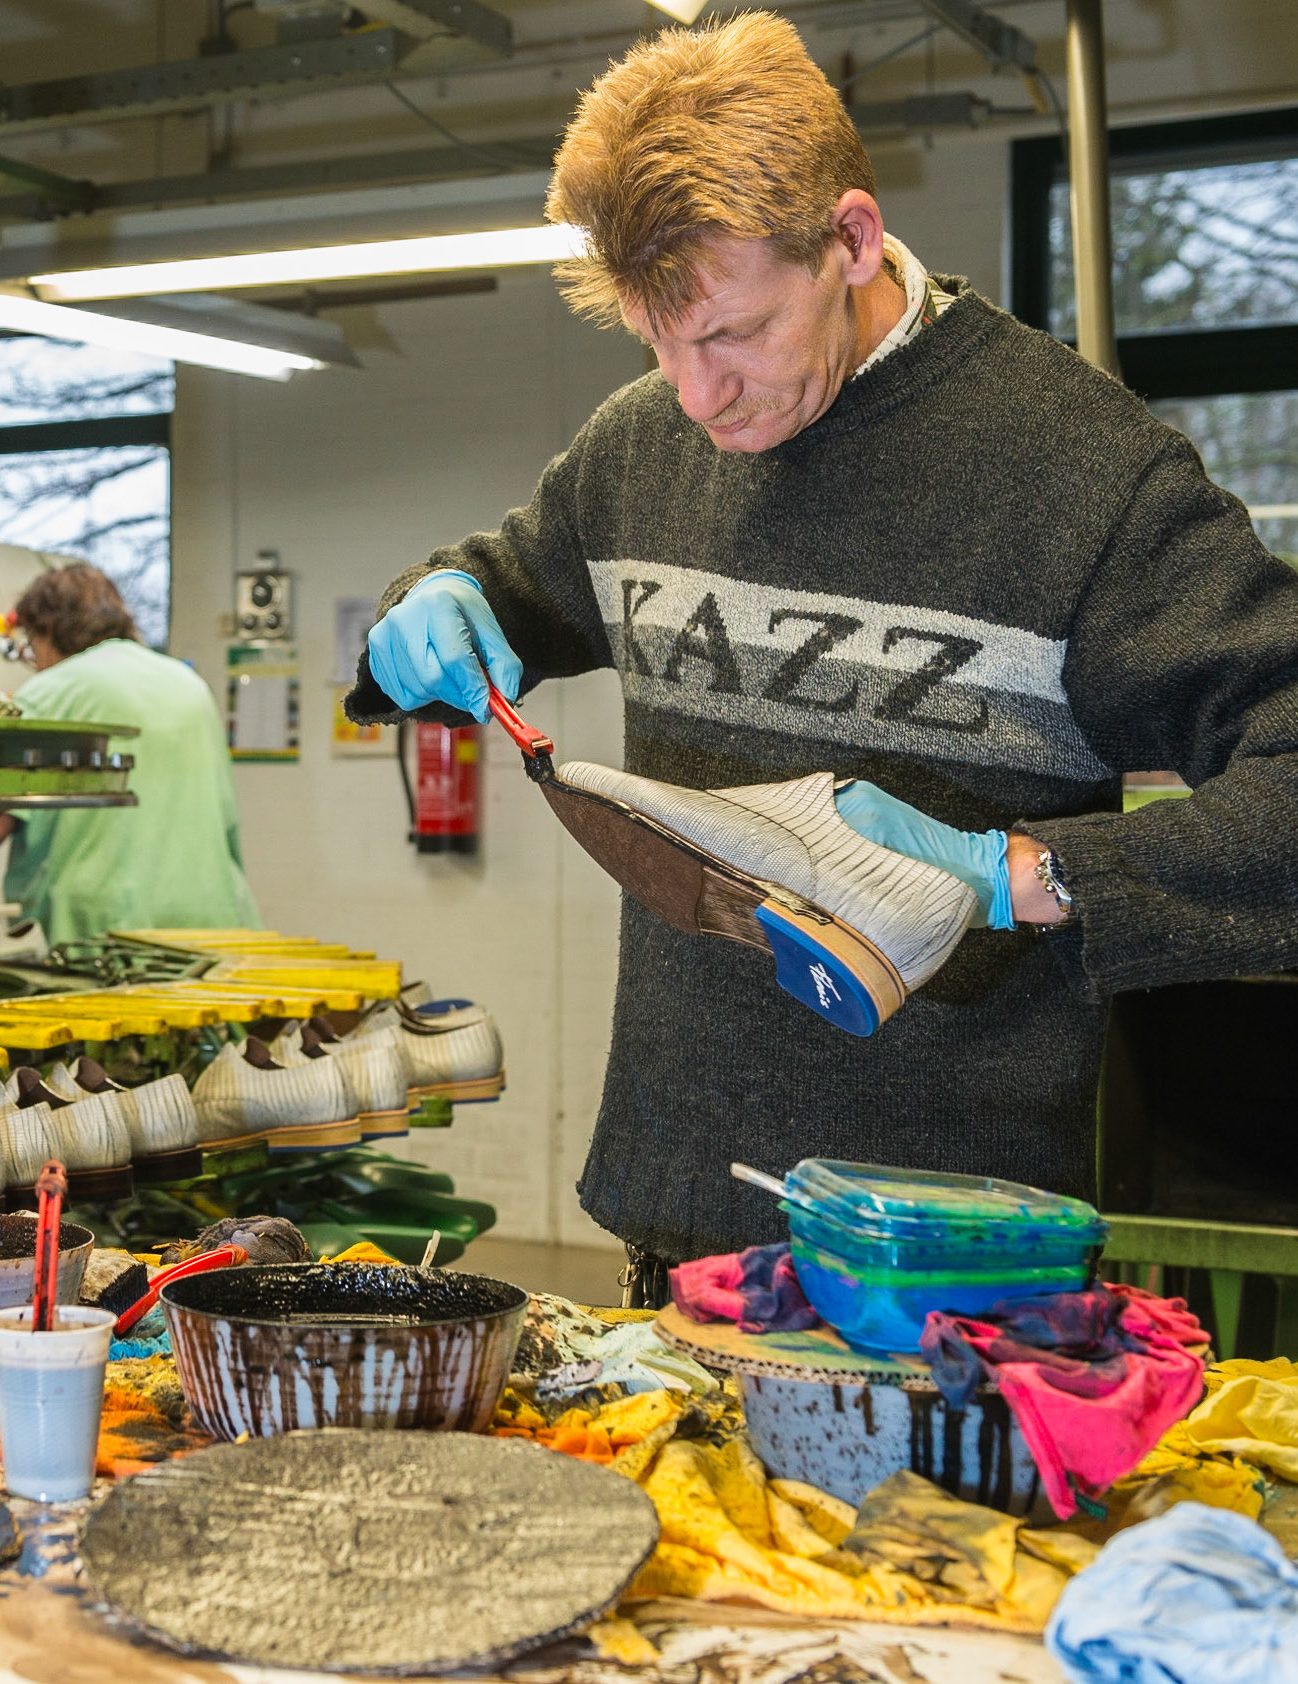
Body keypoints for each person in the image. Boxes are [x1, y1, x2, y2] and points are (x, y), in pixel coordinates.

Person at [345, 15, 1298, 1302]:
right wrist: (438, 597)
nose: (696, 393)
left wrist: (1025, 876)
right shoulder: (638, 451)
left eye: (732, 332)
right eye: (654, 339)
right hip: (679, 1215)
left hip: (948, 1256)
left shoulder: (1084, 476)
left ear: (849, 238)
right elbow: (509, 585)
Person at [0, 564, 259, 944]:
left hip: (104, 929)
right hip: (212, 917)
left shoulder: (49, 693)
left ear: (47, 630)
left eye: (31, 643)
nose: (34, 660)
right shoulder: (188, 684)